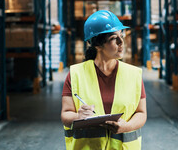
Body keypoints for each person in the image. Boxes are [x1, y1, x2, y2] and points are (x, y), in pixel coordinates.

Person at [61, 10, 147, 150]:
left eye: (122, 36)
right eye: (114, 38)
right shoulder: (76, 74)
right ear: (97, 44)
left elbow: (141, 113)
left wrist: (126, 127)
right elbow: (65, 114)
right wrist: (78, 116)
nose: (121, 42)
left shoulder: (134, 74)